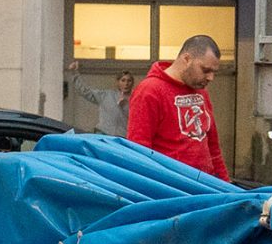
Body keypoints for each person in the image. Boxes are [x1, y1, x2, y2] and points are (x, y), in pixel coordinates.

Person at [129, 35, 228, 179]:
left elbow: (213, 147)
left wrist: (225, 184)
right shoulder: (149, 91)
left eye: (214, 72)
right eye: (205, 70)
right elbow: (139, 151)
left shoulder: (200, 91)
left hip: (203, 183)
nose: (210, 78)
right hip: (170, 185)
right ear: (186, 59)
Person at [69, 64, 135, 137]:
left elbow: (138, 119)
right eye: (123, 80)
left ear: (132, 83)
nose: (126, 84)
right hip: (103, 133)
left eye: (129, 81)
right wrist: (74, 73)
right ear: (118, 82)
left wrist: (125, 106)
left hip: (122, 136)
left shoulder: (136, 99)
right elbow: (85, 91)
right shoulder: (106, 95)